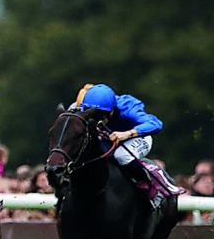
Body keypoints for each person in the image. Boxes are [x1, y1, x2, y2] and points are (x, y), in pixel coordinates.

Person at [72, 83, 175, 213]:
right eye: (92, 115)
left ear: (112, 111)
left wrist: (127, 134)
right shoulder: (82, 106)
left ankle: (149, 182)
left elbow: (156, 123)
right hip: (108, 137)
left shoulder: (128, 107)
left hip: (137, 137)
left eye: (100, 116)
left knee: (121, 156)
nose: (95, 120)